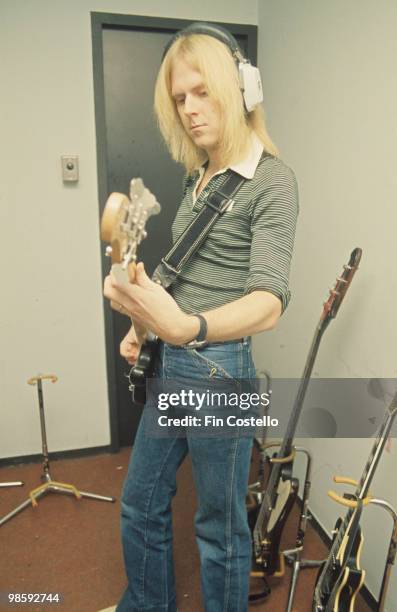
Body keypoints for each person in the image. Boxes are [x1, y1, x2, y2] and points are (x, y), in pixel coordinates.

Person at [103, 22, 298, 612]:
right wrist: (142, 323)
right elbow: (183, 278)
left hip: (217, 369)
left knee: (218, 531)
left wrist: (190, 327)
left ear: (241, 89)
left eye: (202, 92)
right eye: (179, 98)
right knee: (141, 504)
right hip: (172, 363)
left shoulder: (273, 181)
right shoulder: (198, 177)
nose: (189, 110)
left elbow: (268, 303)